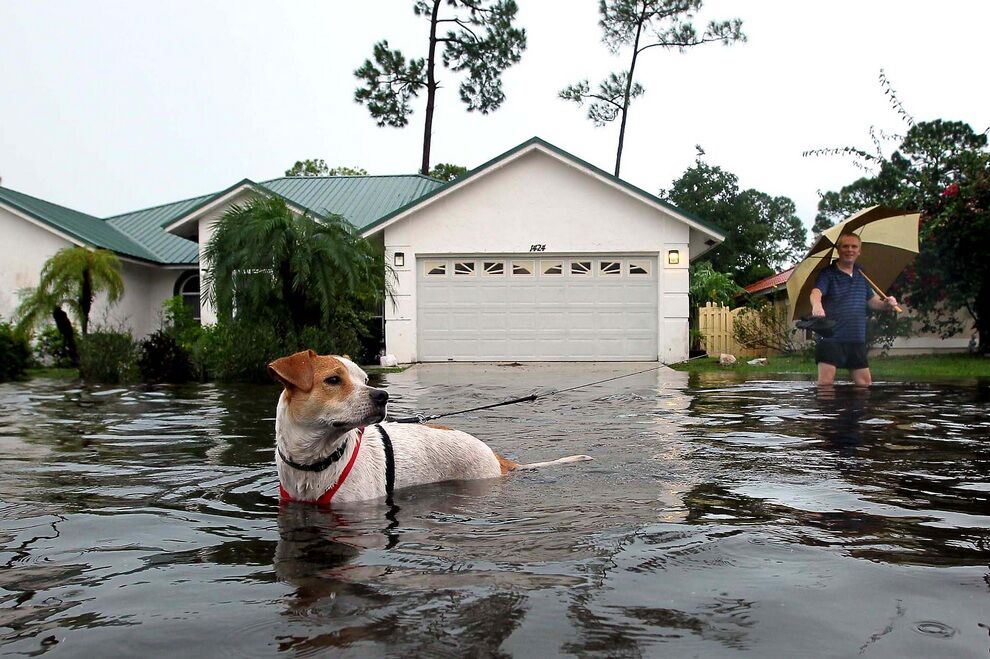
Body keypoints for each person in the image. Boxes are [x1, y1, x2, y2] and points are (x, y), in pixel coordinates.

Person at [809, 233, 899, 386]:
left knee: (865, 384)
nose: (849, 250)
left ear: (859, 251)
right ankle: (827, 411)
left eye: (853, 246)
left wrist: (886, 304)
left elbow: (871, 302)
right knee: (825, 384)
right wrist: (817, 306)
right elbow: (815, 293)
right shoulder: (828, 273)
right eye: (845, 246)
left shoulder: (861, 274)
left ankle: (855, 411)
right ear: (838, 250)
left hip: (856, 338)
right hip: (831, 338)